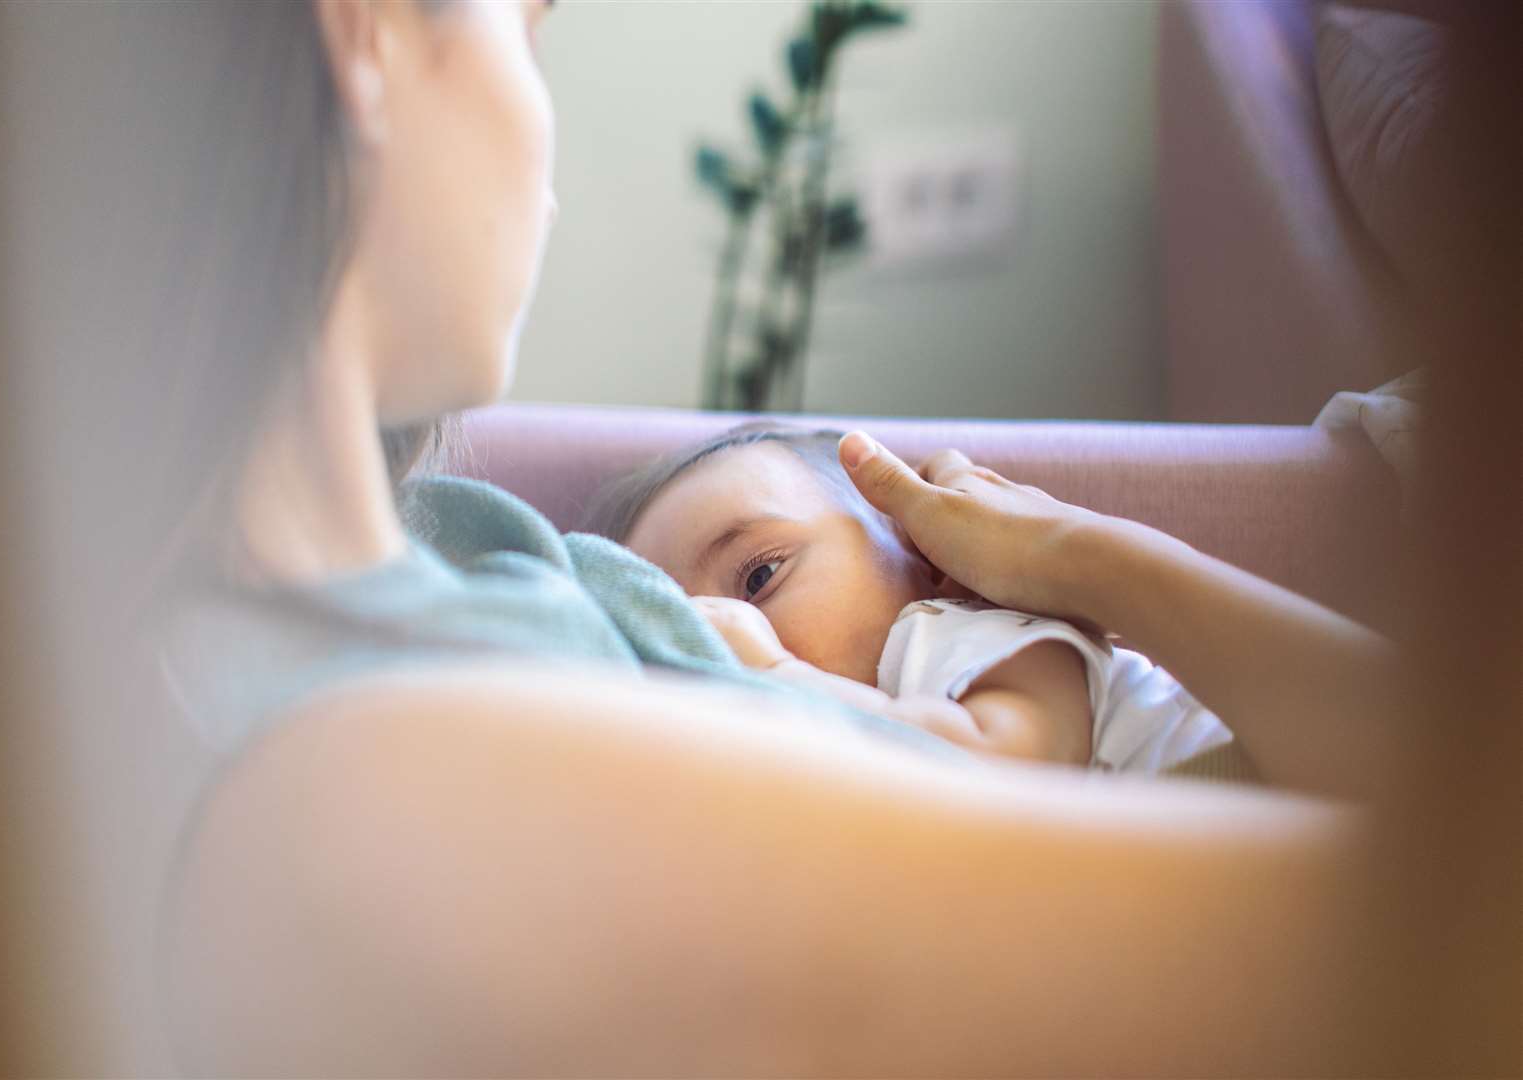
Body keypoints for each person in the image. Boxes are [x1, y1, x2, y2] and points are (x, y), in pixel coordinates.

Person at [149, 0, 1435, 1073]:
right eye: (526, 23)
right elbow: (1463, 920)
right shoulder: (392, 765)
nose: (543, 120)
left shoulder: (464, 580)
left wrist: (1086, 559)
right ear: (364, 32)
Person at [587, 423, 1246, 776]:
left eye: (759, 578)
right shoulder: (808, 753)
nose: (725, 631)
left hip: (1244, 796)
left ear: (924, 554)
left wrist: (773, 673)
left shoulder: (951, 634)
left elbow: (1008, 773)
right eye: (684, 627)